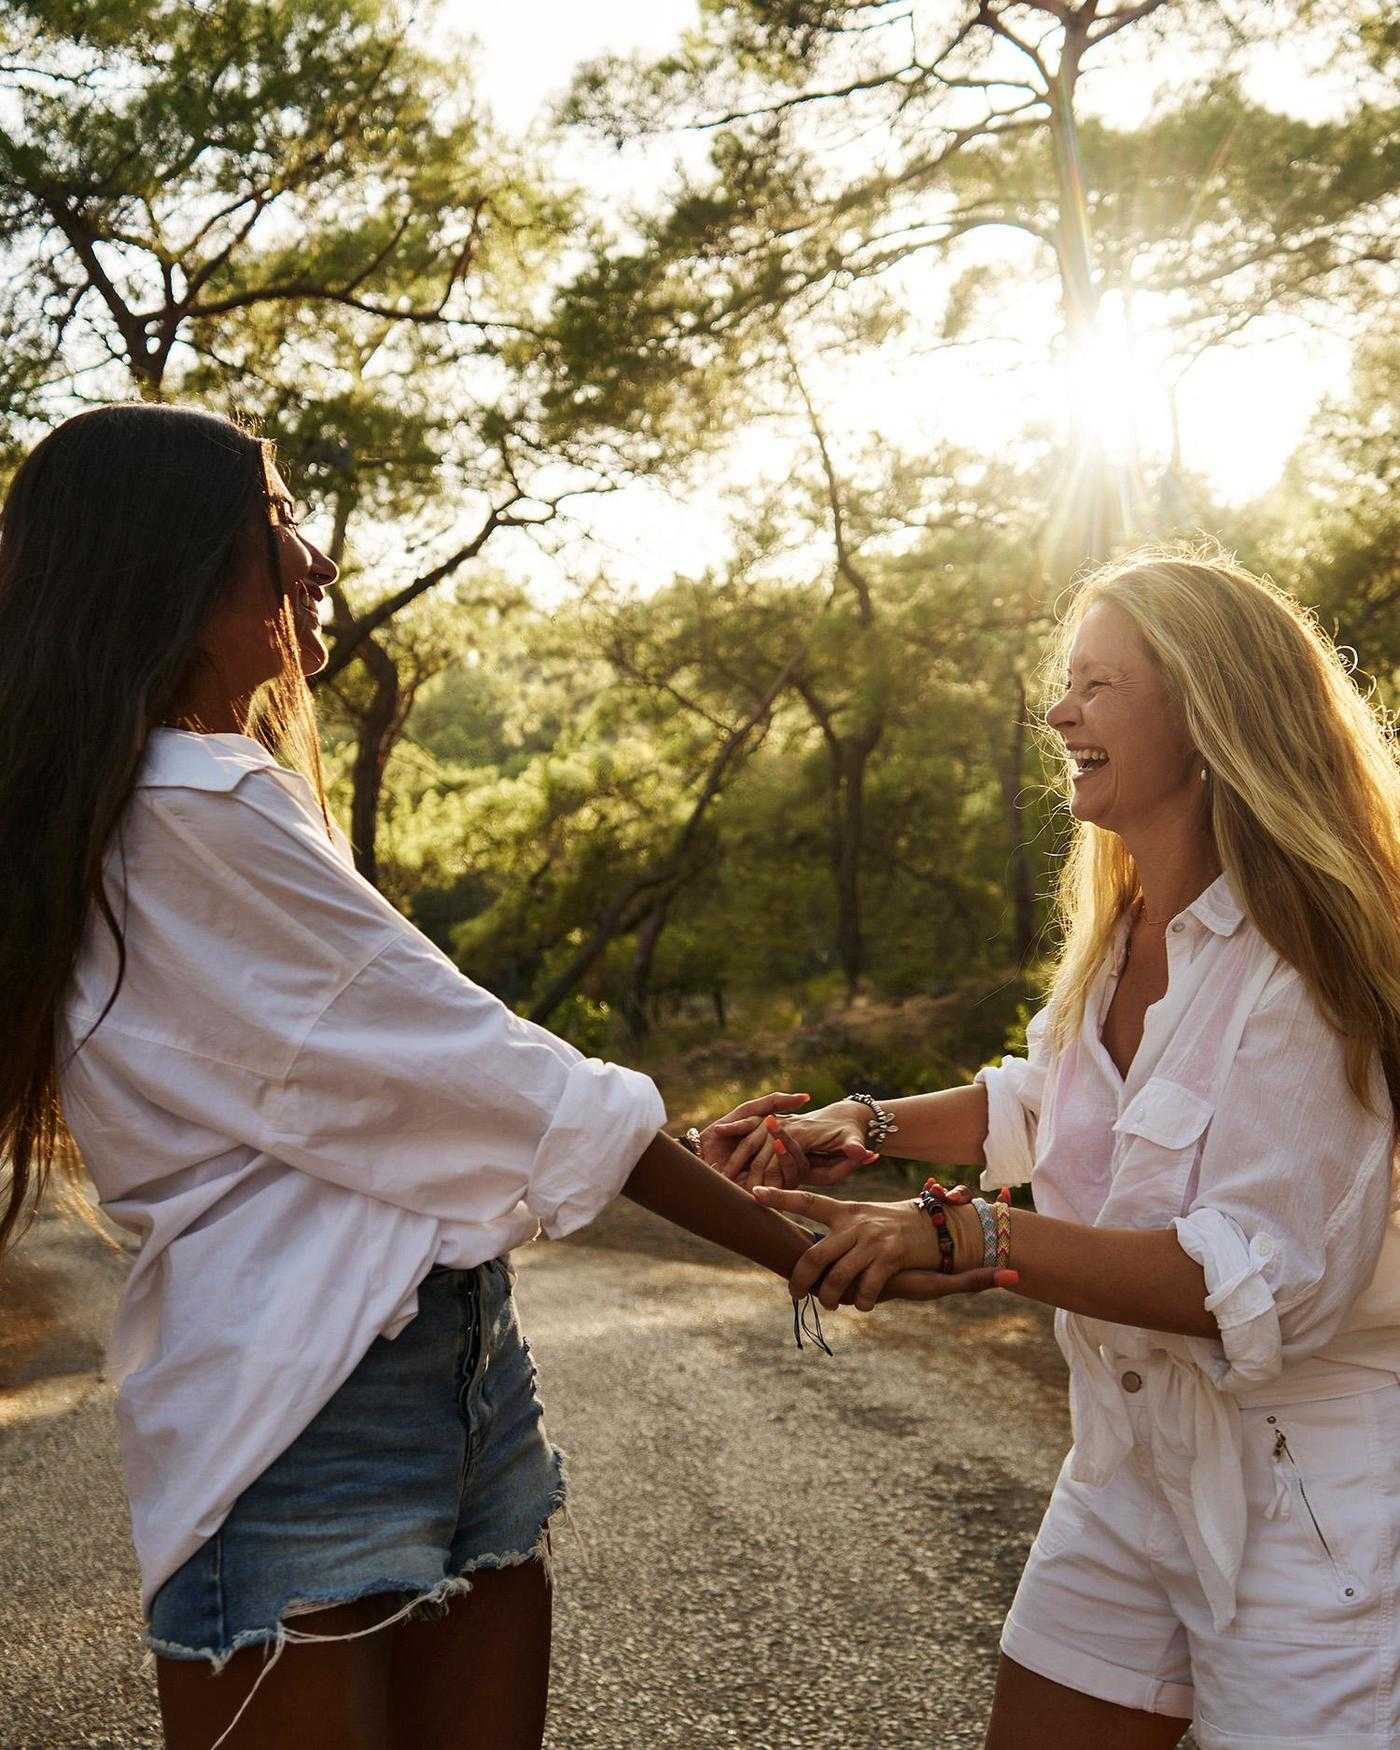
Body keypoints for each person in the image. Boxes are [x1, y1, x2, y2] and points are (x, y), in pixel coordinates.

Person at [0, 404, 1006, 1750]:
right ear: (173, 562)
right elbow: (509, 1084)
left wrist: (677, 1161)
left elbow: (422, 1101)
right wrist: (803, 1244)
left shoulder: (170, 805)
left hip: (430, 1374)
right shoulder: (198, 810)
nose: (317, 560)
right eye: (278, 520)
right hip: (309, 1415)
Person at [717, 552, 1400, 1750]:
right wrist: (857, 1125)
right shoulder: (1125, 927)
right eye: (1061, 683)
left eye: (1094, 683)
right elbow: (1046, 1102)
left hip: (1313, 1509)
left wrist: (974, 1236)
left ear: (1206, 713)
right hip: (1126, 1467)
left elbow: (1263, 1276)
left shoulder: (1308, 961)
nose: (1056, 711)